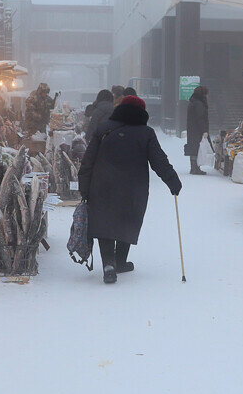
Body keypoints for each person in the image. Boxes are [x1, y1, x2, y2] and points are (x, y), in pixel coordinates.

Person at [78, 95, 182, 284]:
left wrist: (84, 187)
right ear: (142, 112)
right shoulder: (146, 133)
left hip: (102, 185)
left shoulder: (103, 129)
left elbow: (88, 161)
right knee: (128, 220)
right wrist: (172, 181)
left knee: (104, 222)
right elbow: (159, 161)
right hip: (134, 188)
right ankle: (120, 261)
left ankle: (109, 263)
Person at [186, 85, 210, 175]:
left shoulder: (192, 102)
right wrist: (204, 130)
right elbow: (201, 118)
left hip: (192, 128)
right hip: (197, 129)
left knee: (193, 148)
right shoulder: (199, 104)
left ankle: (193, 168)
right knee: (197, 149)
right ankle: (196, 168)